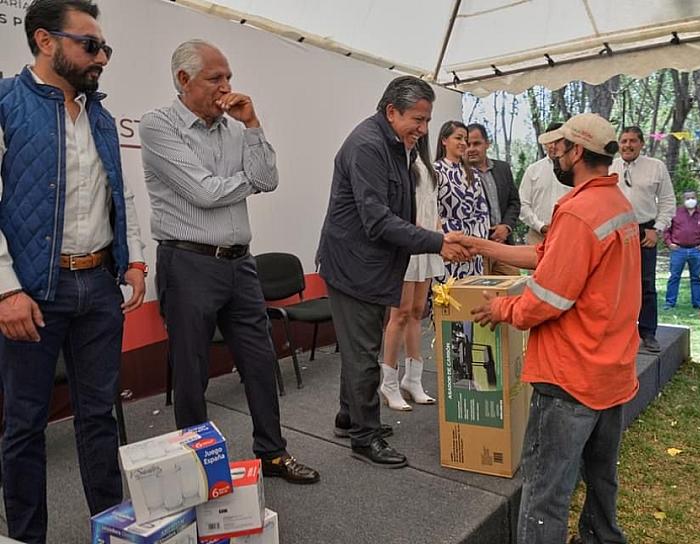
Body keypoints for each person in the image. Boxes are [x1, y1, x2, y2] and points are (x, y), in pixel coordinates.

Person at [139, 39, 318, 484]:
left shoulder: (236, 128)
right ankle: (198, 468)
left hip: (240, 263)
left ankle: (273, 453)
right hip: (188, 263)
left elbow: (268, 178)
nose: (226, 87)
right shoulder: (158, 125)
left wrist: (253, 125)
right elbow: (204, 192)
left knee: (260, 360)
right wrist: (248, 180)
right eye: (215, 78)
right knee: (192, 372)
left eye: (229, 77)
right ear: (184, 80)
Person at [0, 1, 146, 541]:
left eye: (105, 47)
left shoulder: (99, 115)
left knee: (100, 416)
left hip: (99, 287)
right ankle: (26, 537)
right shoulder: (6, 103)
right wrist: (6, 291)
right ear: (45, 41)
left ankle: (111, 530)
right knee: (24, 425)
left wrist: (134, 258)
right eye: (90, 45)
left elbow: (118, 192)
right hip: (34, 292)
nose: (101, 56)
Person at [467, 113, 639, 544]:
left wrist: (501, 308)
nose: (553, 155)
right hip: (611, 370)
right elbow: (549, 255)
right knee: (601, 478)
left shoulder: (579, 213)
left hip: (570, 375)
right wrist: (480, 246)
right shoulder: (617, 205)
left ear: (577, 151)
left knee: (546, 492)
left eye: (558, 148)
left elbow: (548, 299)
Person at [316, 76, 468, 468]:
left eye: (427, 120)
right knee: (364, 352)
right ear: (391, 111)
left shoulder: (396, 144)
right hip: (353, 265)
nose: (424, 128)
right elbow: (377, 219)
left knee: (360, 347)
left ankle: (349, 417)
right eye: (418, 119)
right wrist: (436, 242)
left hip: (371, 263)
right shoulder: (368, 146)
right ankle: (365, 437)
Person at [379, 135, 442, 411]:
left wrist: (439, 234)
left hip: (427, 243)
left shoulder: (427, 165)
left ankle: (413, 379)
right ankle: (389, 382)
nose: (419, 129)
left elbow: (432, 204)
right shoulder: (398, 162)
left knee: (418, 311)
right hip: (407, 242)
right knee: (400, 314)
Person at [610, 126, 675, 353]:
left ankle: (648, 333)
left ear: (641, 144)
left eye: (632, 141)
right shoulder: (609, 167)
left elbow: (667, 201)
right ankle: (618, 333)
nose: (627, 145)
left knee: (646, 284)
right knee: (615, 284)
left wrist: (656, 229)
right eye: (624, 141)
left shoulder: (656, 167)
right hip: (615, 232)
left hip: (645, 231)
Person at [436, 120, 490, 280]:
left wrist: (475, 243)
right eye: (458, 138)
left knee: (472, 292)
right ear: (444, 140)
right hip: (447, 246)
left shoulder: (474, 174)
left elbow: (482, 212)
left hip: (472, 249)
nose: (463, 143)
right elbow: (431, 211)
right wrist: (446, 240)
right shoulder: (435, 171)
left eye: (465, 139)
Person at [466, 123, 520, 274]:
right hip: (477, 248)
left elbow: (514, 202)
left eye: (476, 143)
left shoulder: (503, 168)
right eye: (468, 144)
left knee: (513, 285)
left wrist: (506, 227)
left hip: (504, 245)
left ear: (487, 144)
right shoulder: (460, 174)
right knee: (480, 289)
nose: (471, 149)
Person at [518, 122, 571, 244]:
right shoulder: (533, 170)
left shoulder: (575, 171)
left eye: (557, 141)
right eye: (549, 141)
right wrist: (540, 226)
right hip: (537, 236)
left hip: (567, 235)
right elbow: (523, 204)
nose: (553, 146)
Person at [663, 190, 700, 309]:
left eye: (692, 197)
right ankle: (670, 302)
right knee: (674, 277)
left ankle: (697, 302)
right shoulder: (675, 213)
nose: (690, 200)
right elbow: (666, 230)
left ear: (696, 198)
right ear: (683, 200)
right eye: (687, 198)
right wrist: (669, 243)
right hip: (678, 250)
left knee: (696, 278)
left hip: (697, 250)